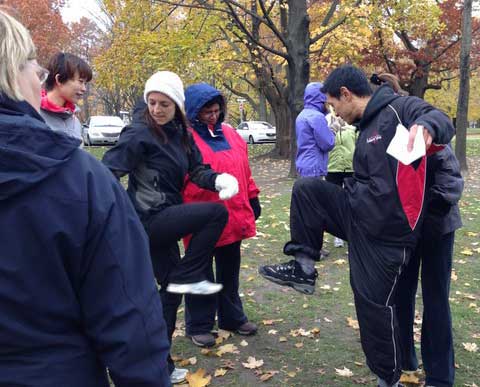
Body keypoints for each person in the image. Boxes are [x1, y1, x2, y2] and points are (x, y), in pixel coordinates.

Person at [0, 10, 171, 387]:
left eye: (166, 104)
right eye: (34, 67)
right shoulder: (82, 177)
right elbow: (128, 314)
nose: (37, 78)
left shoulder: (183, 137)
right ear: (12, 73)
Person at [259, 65, 455, 387]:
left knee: (410, 303)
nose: (333, 112)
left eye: (333, 105)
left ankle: (419, 378)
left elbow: (440, 119)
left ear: (347, 95)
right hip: (373, 219)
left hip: (412, 227)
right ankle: (304, 267)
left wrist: (426, 126)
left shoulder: (397, 108)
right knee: (308, 190)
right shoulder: (364, 127)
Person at [102, 71, 239, 383]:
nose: (156, 109)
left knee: (169, 292)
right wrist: (107, 214)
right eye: (151, 102)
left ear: (177, 105)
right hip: (146, 221)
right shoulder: (138, 133)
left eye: (164, 103)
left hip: (167, 217)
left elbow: (197, 171)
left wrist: (218, 179)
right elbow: (106, 173)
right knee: (215, 215)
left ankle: (159, 364)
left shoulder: (182, 133)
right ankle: (189, 275)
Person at [182, 83, 261, 347]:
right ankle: (199, 324)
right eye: (207, 112)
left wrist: (252, 196)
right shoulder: (185, 138)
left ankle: (231, 316)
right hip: (200, 215)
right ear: (194, 112)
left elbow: (244, 169)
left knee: (230, 271)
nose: (213, 116)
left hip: (232, 215)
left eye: (216, 110)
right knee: (200, 273)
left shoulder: (231, 133)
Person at [295, 82, 335, 257]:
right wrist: (332, 130)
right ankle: (314, 248)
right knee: (315, 210)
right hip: (314, 167)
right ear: (321, 98)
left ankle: (308, 245)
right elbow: (327, 143)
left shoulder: (302, 115)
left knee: (306, 208)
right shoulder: (317, 117)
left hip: (304, 165)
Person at [39, 52, 92, 142]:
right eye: (80, 81)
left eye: (85, 83)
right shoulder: (34, 116)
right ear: (59, 79)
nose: (84, 89)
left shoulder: (75, 122)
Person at [325, 111, 356, 247]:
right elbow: (324, 141)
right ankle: (337, 235)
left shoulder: (353, 123)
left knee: (352, 202)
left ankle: (353, 233)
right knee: (334, 203)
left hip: (351, 169)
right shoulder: (327, 121)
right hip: (333, 168)